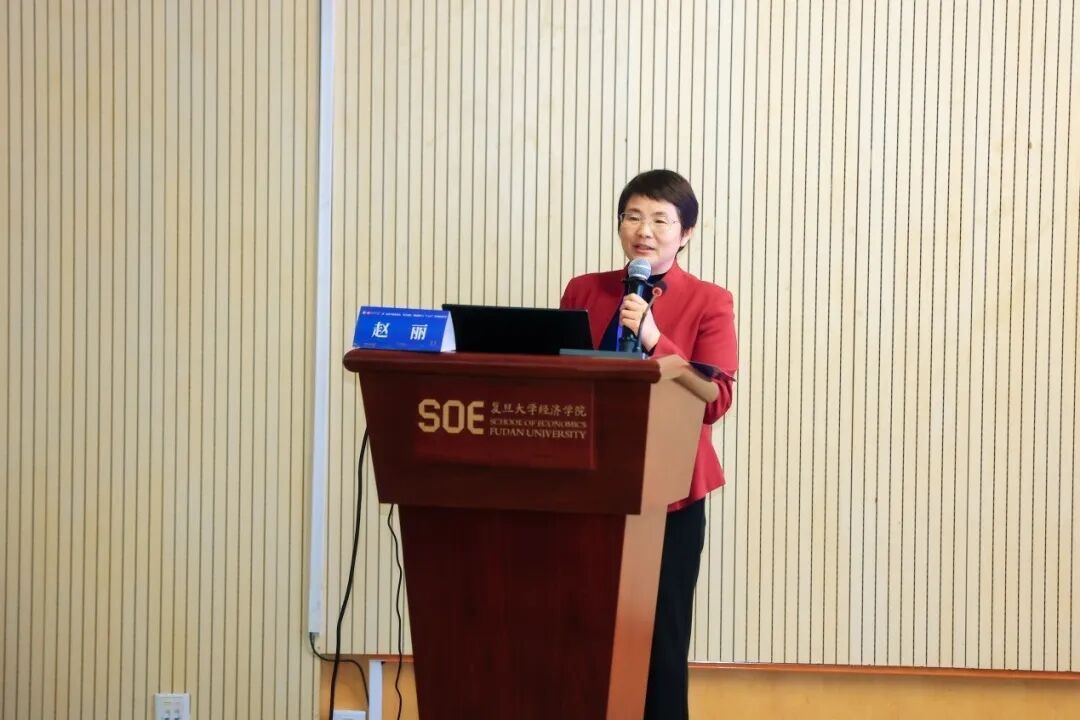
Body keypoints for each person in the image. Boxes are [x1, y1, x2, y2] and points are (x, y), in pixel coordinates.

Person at [560, 169, 737, 719]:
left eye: (661, 219)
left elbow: (714, 398)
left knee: (660, 639)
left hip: (671, 495)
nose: (644, 230)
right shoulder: (584, 290)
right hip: (590, 486)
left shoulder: (709, 301)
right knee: (583, 632)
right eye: (633, 216)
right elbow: (560, 375)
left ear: (686, 233)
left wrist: (655, 337)